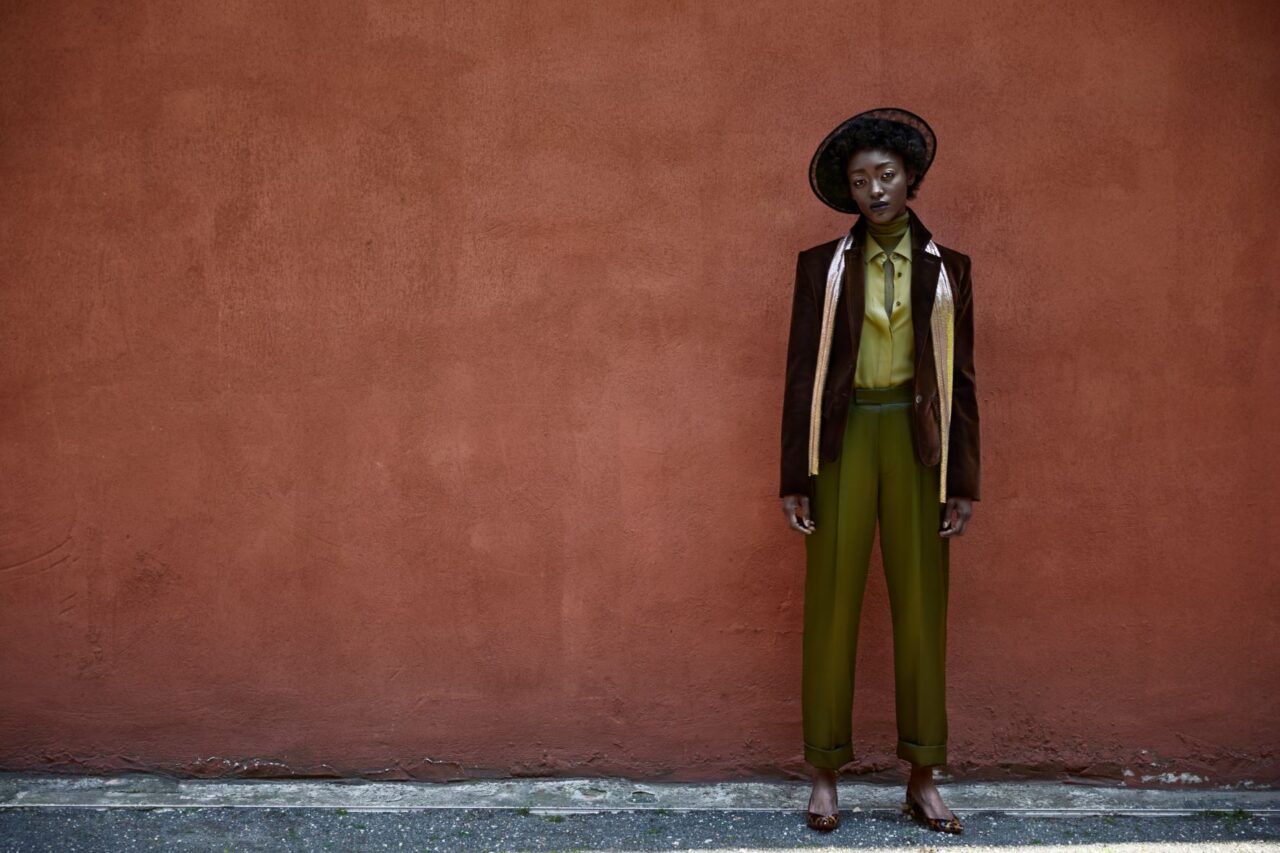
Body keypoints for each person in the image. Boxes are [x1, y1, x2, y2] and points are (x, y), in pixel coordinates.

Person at [778, 107, 980, 835]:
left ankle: (923, 775)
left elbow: (963, 379)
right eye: (861, 180)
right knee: (831, 601)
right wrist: (794, 475)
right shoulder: (820, 268)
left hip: (916, 440)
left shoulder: (948, 271)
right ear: (849, 191)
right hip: (843, 441)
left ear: (911, 179)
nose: (876, 189)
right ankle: (824, 773)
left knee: (923, 607)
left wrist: (961, 480)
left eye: (887, 175)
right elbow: (802, 374)